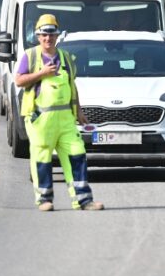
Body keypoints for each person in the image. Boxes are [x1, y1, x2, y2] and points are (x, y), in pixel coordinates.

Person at [14, 14, 104, 212]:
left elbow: (73, 86)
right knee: (42, 158)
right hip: (40, 119)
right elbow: (19, 80)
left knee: (77, 155)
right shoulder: (30, 56)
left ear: (57, 36)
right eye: (44, 35)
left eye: (52, 34)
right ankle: (44, 199)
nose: (48, 39)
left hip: (65, 120)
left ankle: (83, 200)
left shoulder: (66, 58)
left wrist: (79, 111)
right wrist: (41, 73)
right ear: (38, 36)